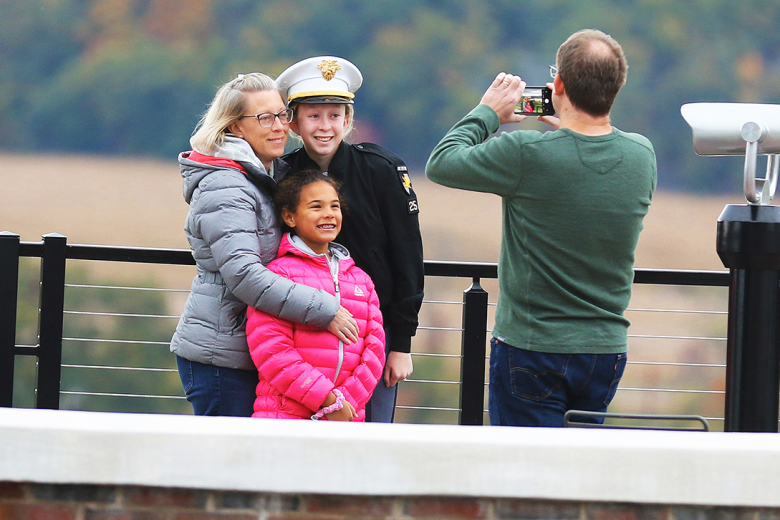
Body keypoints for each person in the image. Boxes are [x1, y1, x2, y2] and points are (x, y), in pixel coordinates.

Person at [426, 29, 657, 427]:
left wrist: (487, 113)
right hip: (605, 350)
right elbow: (587, 162)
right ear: (616, 88)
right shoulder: (642, 154)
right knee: (576, 476)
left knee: (523, 479)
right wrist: (568, 123)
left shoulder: (525, 154)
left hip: (532, 348)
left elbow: (442, 162)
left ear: (560, 84)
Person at [170, 72, 360, 417]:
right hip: (221, 356)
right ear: (236, 128)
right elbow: (243, 274)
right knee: (227, 464)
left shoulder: (259, 176)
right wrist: (325, 309)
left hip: (247, 350)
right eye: (264, 118)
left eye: (282, 115)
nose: (278, 127)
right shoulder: (227, 186)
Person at [276, 56, 424, 423]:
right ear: (294, 121)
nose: (325, 127)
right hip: (303, 334)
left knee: (368, 436)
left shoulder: (381, 170)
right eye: (313, 115)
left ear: (348, 119)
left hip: (372, 336)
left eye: (335, 115)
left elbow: (407, 256)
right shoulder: (281, 174)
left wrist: (401, 344)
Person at [246, 170, 385, 421]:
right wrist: (328, 401)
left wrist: (344, 404)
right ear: (289, 216)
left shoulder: (361, 280)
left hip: (346, 419)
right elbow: (272, 351)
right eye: (316, 206)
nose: (329, 213)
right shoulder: (277, 275)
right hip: (284, 417)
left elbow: (375, 351)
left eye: (334, 206)